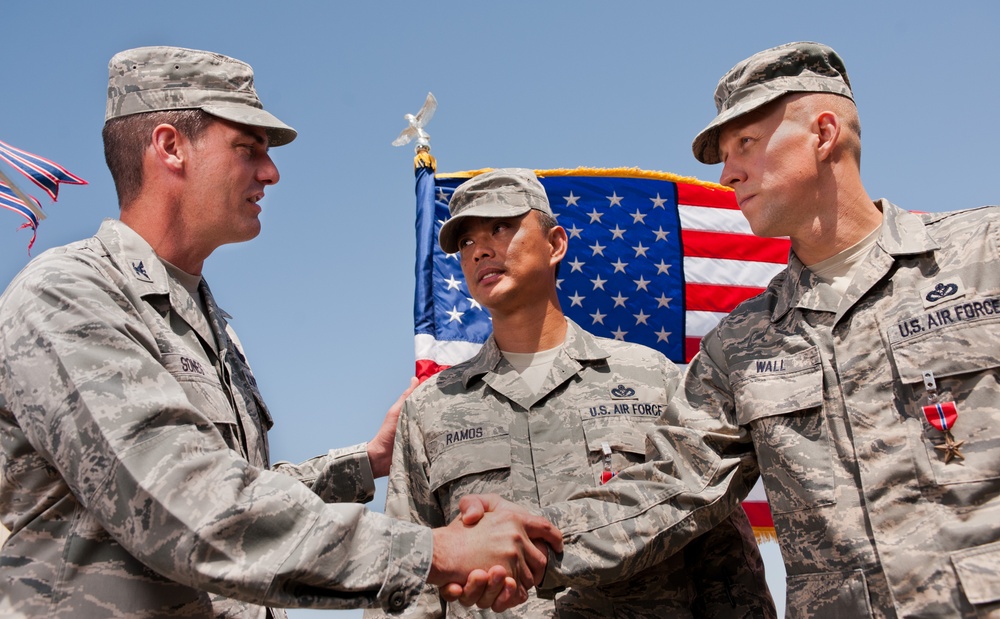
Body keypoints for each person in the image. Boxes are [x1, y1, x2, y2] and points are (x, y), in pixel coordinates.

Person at [0, 46, 561, 619]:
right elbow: (186, 504)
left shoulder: (206, 321)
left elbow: (244, 486)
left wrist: (366, 460)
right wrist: (435, 551)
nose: (270, 172)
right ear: (170, 147)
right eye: (248, 149)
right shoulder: (66, 297)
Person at [460, 42, 1000, 617]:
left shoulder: (984, 257)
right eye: (724, 151)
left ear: (823, 134)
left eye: (746, 142)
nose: (728, 172)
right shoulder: (740, 345)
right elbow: (666, 486)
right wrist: (530, 547)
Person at [367, 168, 775, 618]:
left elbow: (720, 548)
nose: (480, 249)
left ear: (556, 244)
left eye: (501, 227)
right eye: (465, 243)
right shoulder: (431, 408)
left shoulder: (652, 377)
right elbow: (410, 577)